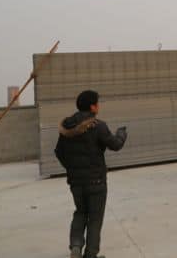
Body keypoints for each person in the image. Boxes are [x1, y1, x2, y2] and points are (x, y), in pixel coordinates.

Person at [55, 90, 127, 258]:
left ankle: (76, 245)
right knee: (95, 218)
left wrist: (71, 168)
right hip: (96, 182)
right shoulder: (98, 126)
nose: (98, 106)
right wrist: (121, 134)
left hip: (76, 182)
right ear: (92, 106)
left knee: (80, 212)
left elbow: (58, 152)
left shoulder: (67, 126)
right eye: (97, 103)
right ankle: (91, 254)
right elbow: (115, 145)